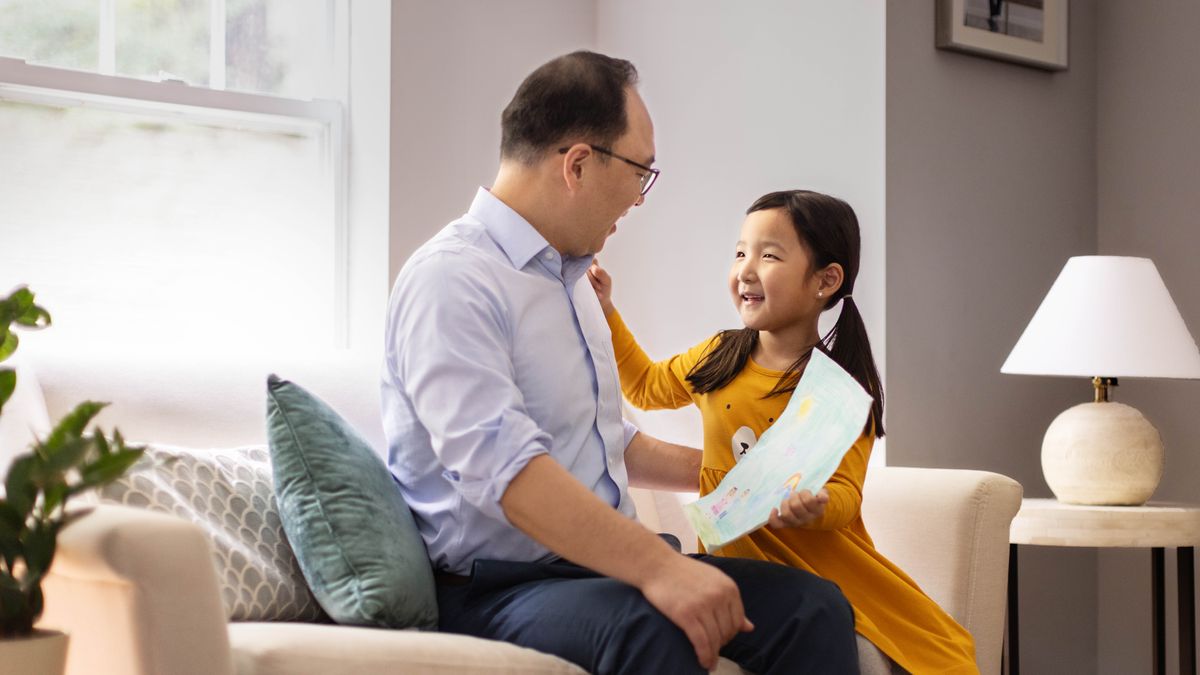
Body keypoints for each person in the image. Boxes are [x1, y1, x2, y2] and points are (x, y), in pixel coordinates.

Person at [381, 51, 860, 674]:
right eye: (641, 171)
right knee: (657, 632)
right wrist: (659, 567)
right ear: (578, 164)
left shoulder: (571, 281)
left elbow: (603, 439)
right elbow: (506, 471)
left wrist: (744, 478)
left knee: (815, 607)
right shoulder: (452, 280)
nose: (639, 198)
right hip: (500, 588)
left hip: (598, 572)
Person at [587, 189, 979, 674]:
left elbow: (846, 494)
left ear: (825, 280)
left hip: (823, 571)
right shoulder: (719, 355)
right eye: (740, 253)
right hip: (739, 569)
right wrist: (607, 310)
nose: (746, 270)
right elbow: (646, 387)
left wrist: (814, 505)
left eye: (769, 256)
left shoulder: (836, 392)